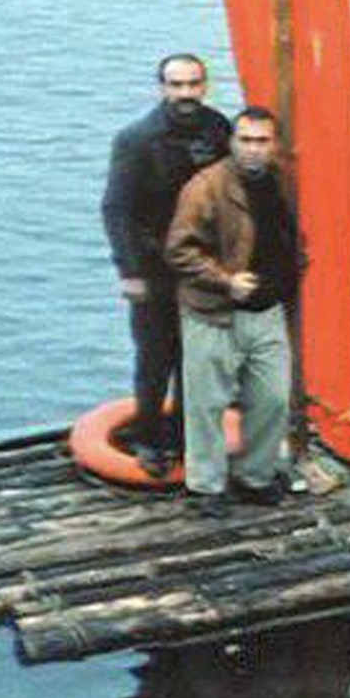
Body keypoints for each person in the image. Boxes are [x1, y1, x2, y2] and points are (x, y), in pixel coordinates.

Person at [164, 105, 304, 517]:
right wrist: (226, 280)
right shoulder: (205, 187)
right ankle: (206, 486)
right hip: (214, 314)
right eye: (245, 140)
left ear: (273, 145)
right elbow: (179, 250)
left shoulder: (281, 182)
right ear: (232, 142)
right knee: (207, 404)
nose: (253, 149)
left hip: (267, 311)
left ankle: (255, 475)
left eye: (261, 141)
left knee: (273, 398)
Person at [102, 54, 233, 476]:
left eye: (193, 84)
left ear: (205, 86)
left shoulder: (218, 129)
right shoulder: (136, 140)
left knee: (198, 357)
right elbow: (116, 210)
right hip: (153, 264)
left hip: (202, 263)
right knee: (155, 356)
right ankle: (147, 438)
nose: (185, 93)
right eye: (177, 85)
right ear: (162, 88)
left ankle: (184, 436)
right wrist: (129, 272)